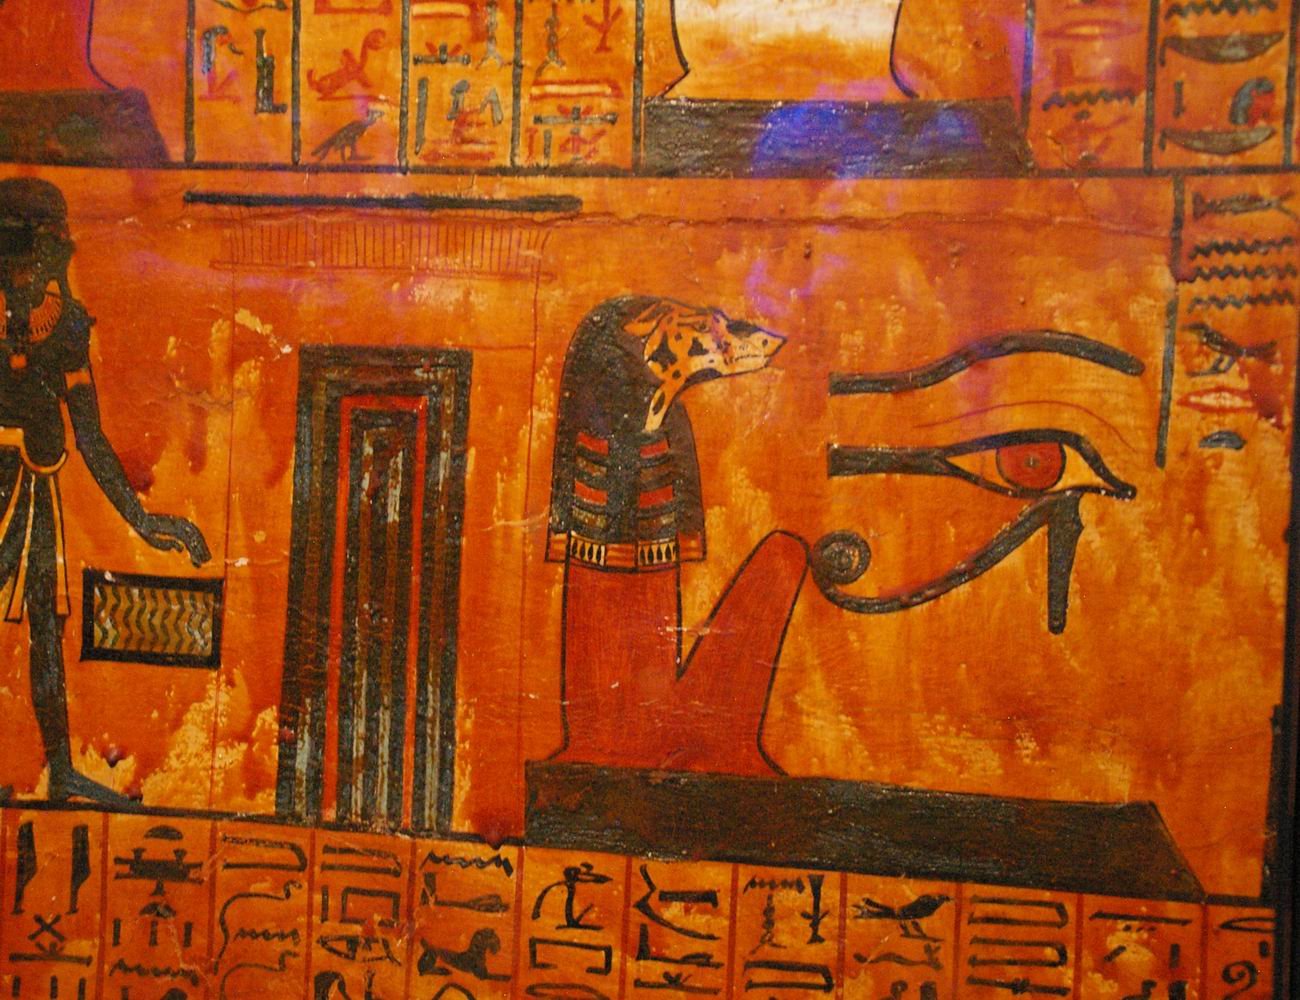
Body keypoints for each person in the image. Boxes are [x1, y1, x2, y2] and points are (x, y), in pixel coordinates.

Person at [0, 177, 210, 805]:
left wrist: (143, 520)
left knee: (45, 623)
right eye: (22, 254)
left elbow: (88, 434)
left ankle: (61, 769)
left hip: (36, 486)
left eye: (44, 253)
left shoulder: (65, 324)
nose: (33, 268)